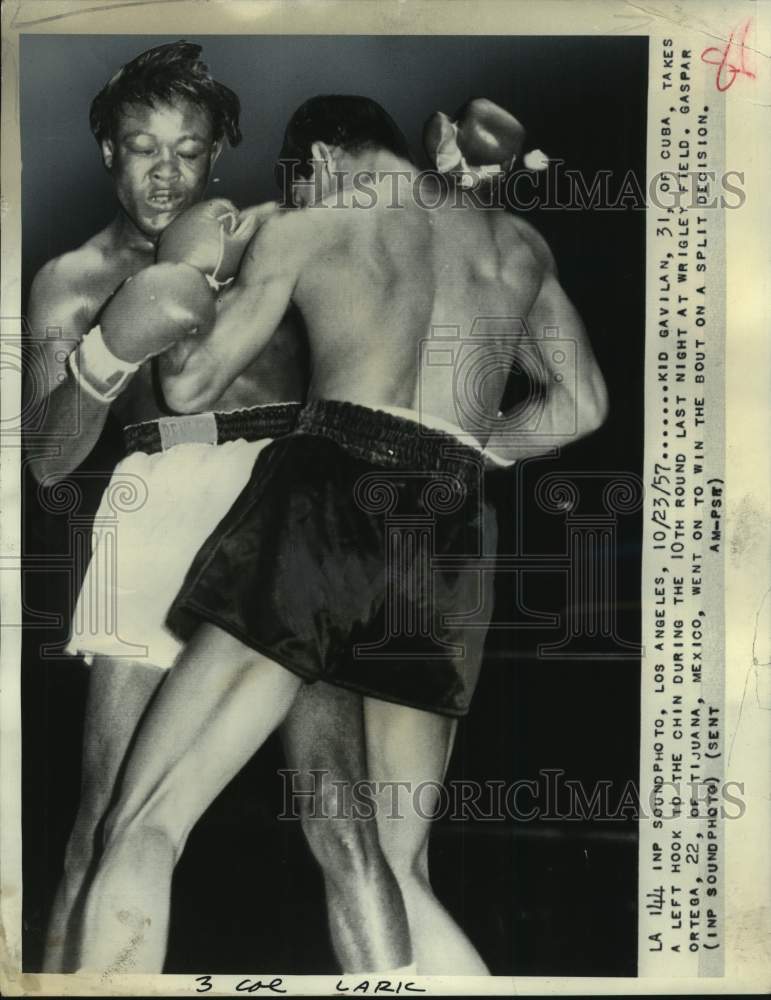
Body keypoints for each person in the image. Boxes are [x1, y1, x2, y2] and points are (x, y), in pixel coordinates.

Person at [74, 95, 609, 975]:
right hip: (452, 521)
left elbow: (188, 386)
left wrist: (173, 285)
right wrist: (458, 457)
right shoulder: (516, 244)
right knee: (400, 872)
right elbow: (579, 404)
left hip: (331, 491)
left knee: (145, 821)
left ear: (320, 159)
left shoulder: (308, 222)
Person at [24, 41, 305, 972]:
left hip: (290, 504)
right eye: (144, 147)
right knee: (106, 822)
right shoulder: (71, 280)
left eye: (188, 151)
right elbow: (47, 463)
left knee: (347, 822)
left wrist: (464, 178)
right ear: (108, 148)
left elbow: (391, 245)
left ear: (216, 157)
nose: (166, 172)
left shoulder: (271, 234)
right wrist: (107, 354)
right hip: (153, 509)